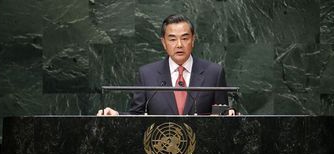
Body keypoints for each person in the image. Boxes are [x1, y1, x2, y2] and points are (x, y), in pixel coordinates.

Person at [97, 14, 233, 116]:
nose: (179, 44)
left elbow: (222, 116)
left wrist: (229, 114)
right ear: (163, 43)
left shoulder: (214, 73)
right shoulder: (147, 75)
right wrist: (117, 116)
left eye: (185, 38)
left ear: (193, 40)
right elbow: (136, 118)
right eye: (172, 39)